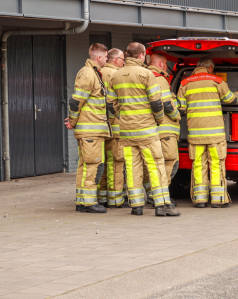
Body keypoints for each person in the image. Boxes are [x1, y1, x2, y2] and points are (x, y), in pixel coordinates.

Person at [106, 43, 180, 217]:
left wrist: (123, 117)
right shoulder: (147, 74)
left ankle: (136, 206)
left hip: (127, 132)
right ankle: (162, 205)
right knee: (156, 166)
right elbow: (156, 103)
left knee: (133, 168)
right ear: (141, 55)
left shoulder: (116, 76)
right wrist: (158, 120)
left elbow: (111, 104)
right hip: (147, 131)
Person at [176, 57, 238, 208]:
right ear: (210, 68)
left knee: (198, 165)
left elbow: (180, 109)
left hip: (195, 135)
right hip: (215, 135)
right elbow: (230, 99)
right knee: (216, 164)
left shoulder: (185, 83)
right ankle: (218, 200)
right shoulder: (217, 81)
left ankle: (200, 200)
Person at [64, 43, 111, 214]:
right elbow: (76, 101)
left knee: (86, 166)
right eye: (106, 56)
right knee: (92, 166)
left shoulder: (94, 73)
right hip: (91, 131)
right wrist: (72, 121)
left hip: (93, 130)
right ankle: (89, 203)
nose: (107, 59)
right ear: (99, 57)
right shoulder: (88, 73)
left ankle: (83, 201)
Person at [142, 53, 181, 205]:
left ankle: (154, 194)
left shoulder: (144, 76)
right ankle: (160, 195)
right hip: (166, 130)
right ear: (160, 64)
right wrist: (178, 116)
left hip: (150, 129)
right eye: (165, 64)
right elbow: (167, 105)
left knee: (152, 164)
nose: (166, 68)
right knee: (170, 162)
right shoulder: (160, 79)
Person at [98, 48, 127, 208]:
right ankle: (115, 199)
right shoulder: (116, 75)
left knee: (102, 163)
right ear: (116, 60)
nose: (124, 63)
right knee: (116, 163)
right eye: (122, 59)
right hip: (115, 128)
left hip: (100, 128)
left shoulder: (98, 72)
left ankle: (102, 197)